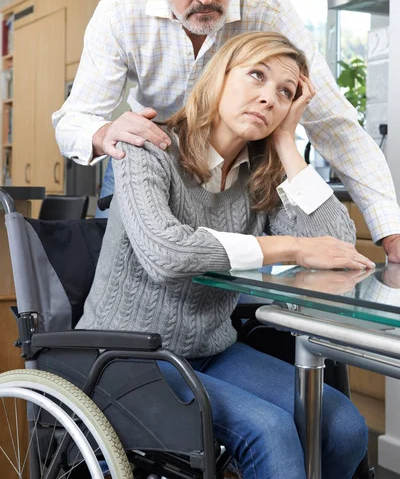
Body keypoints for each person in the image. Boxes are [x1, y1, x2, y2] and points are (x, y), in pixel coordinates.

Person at [52, 0, 400, 262]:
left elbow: (334, 124)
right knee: (128, 267)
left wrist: (392, 231)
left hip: (236, 172)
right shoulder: (122, 9)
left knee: (232, 290)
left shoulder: (268, 8)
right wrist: (104, 131)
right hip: (153, 161)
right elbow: (74, 120)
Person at [76, 32, 371, 479]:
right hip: (124, 356)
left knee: (344, 425)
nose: (269, 98)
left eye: (285, 93)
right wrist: (289, 247)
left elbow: (336, 244)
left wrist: (288, 142)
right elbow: (167, 254)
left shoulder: (260, 175)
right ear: (220, 75)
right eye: (257, 75)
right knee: (270, 432)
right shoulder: (146, 146)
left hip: (212, 350)